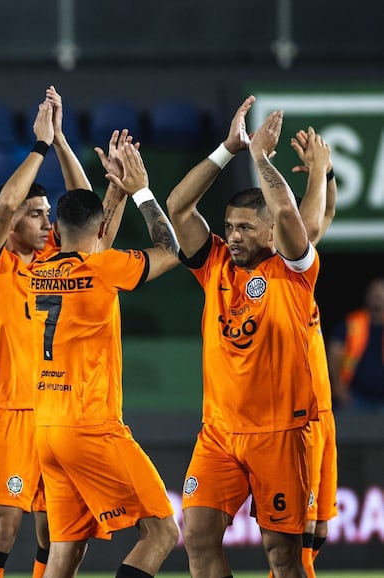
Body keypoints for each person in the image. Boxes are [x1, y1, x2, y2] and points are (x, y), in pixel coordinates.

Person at [0, 86, 131, 578]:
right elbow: (1, 210)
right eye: (35, 214)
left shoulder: (53, 265)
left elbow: (90, 218)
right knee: (0, 531)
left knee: (58, 533)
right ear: (12, 218)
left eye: (47, 216)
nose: (46, 223)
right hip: (13, 412)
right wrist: (38, 147)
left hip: (57, 412)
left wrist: (60, 142)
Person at [165, 96, 319, 578]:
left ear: (270, 233)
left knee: (282, 557)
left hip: (278, 434)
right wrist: (228, 149)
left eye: (245, 228)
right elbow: (177, 206)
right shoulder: (213, 266)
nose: (232, 236)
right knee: (200, 538)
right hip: (218, 435)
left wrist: (261, 160)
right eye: (229, 227)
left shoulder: (293, 272)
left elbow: (294, 220)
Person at [24, 141, 181, 578]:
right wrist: (143, 192)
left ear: (55, 225)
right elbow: (171, 250)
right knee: (163, 533)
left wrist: (115, 193)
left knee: (65, 550)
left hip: (47, 430)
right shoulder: (104, 268)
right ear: (98, 230)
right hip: (90, 425)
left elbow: (91, 244)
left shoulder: (40, 270)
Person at [277, 126, 338, 578]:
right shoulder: (284, 271)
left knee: (316, 533)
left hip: (324, 412)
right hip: (299, 417)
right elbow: (310, 223)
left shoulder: (305, 272)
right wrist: (316, 172)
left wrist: (328, 173)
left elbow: (325, 214)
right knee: (302, 531)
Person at [327, 277, 384, 412]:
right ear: (367, 297)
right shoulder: (351, 323)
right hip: (355, 399)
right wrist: (339, 389)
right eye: (374, 293)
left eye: (381, 292)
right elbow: (334, 353)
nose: (377, 296)